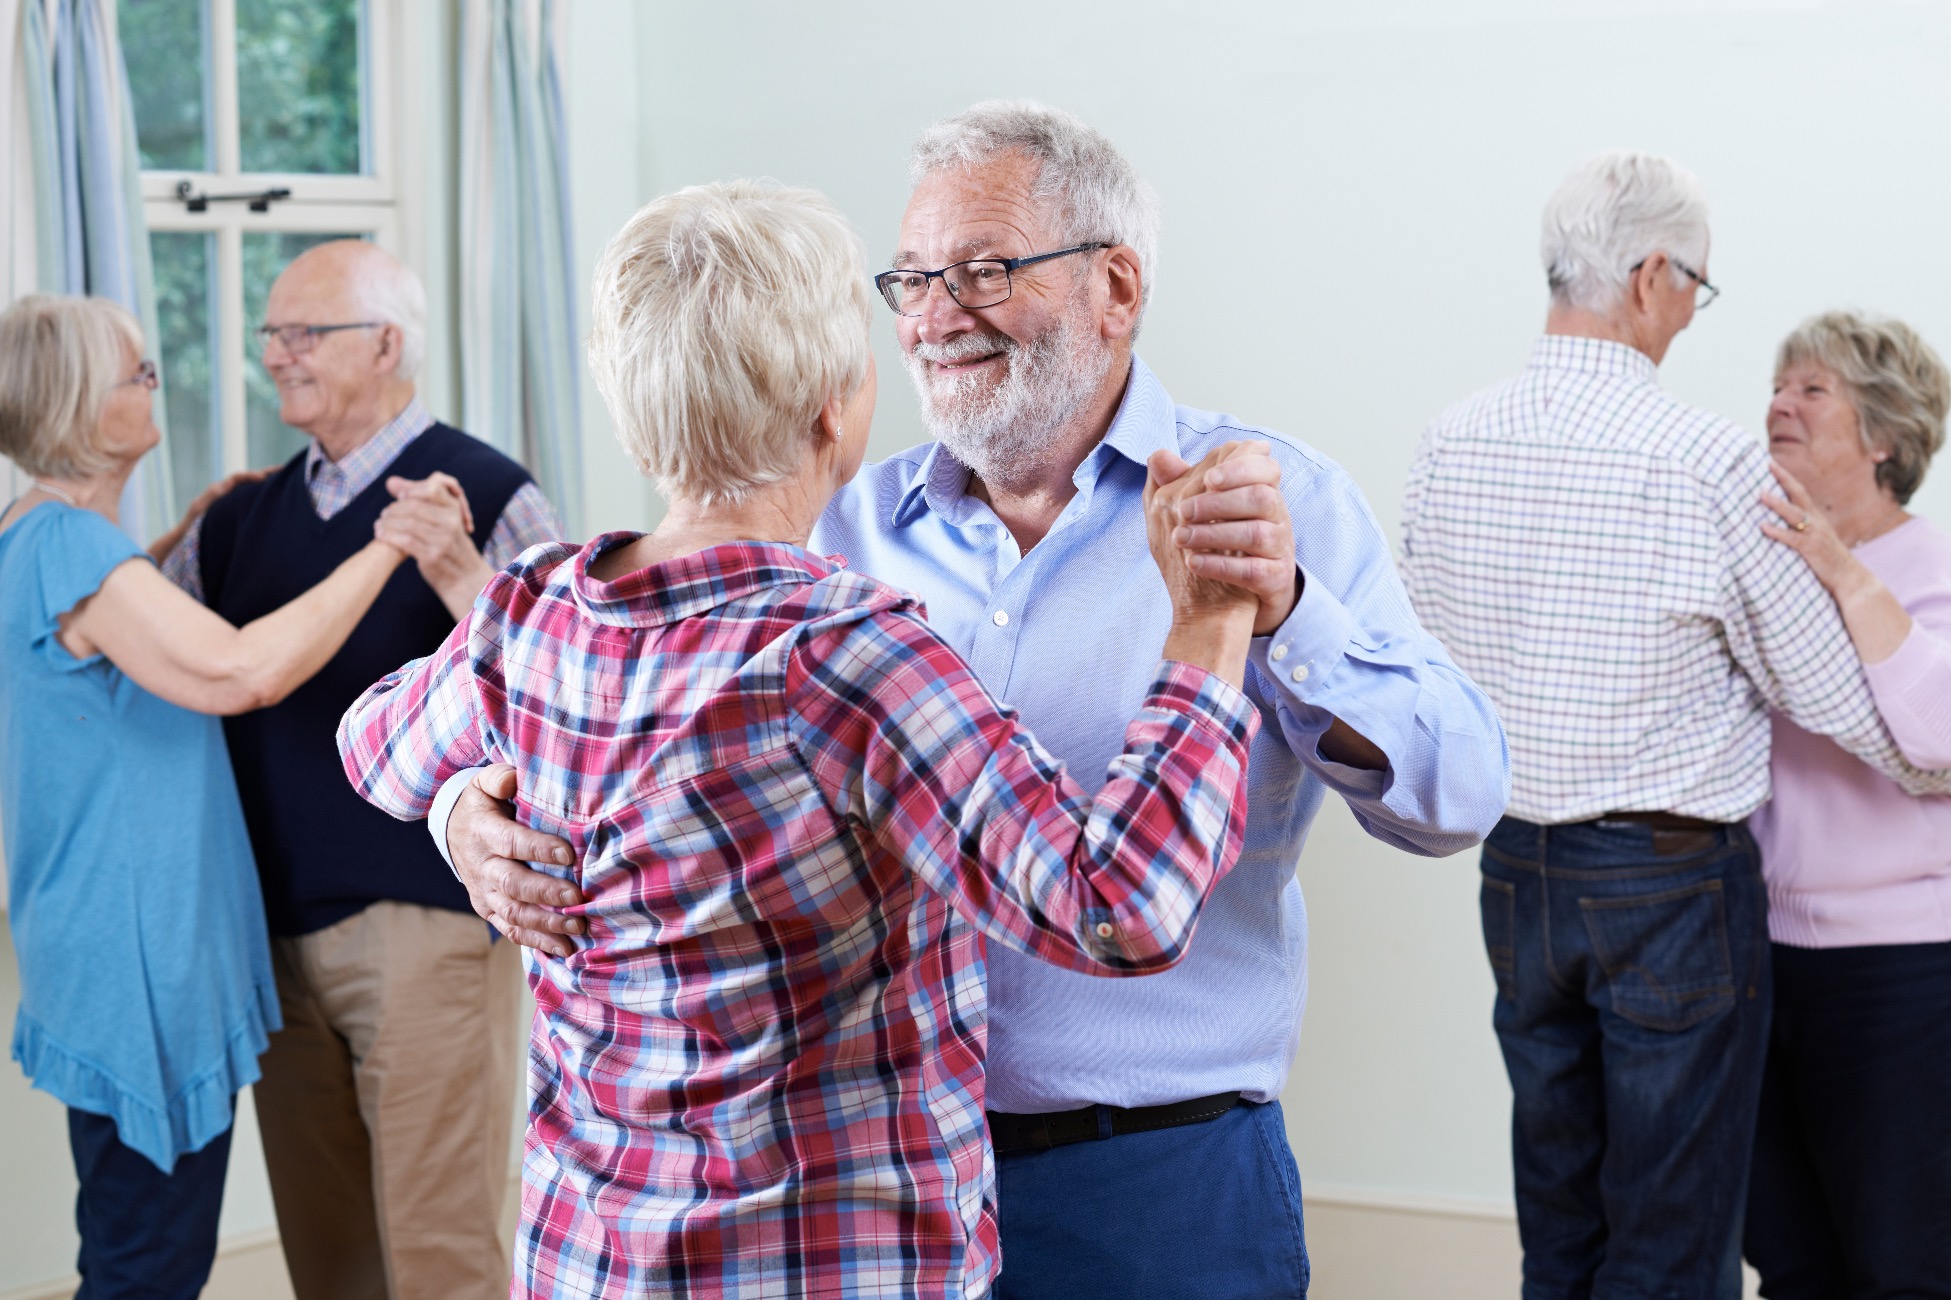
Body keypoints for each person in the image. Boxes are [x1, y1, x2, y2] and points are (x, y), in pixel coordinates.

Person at [433, 101, 1510, 1299]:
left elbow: (1456, 793)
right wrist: (470, 816)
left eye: (985, 271)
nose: (936, 316)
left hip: (1149, 1190)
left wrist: (1289, 609)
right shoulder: (818, 534)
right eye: (912, 279)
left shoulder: (1266, 502)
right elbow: (553, 717)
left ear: (1116, 285)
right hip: (850, 1197)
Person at [341, 178, 1263, 1300]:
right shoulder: (845, 656)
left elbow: (372, 745)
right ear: (835, 408)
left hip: (589, 1261)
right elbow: (1118, 906)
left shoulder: (530, 611)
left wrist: (456, 814)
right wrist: (1208, 627)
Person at [1398, 154, 1951, 1299]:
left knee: (1560, 1212)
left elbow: (1426, 659)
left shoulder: (1451, 438)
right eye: (1696, 283)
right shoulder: (1704, 460)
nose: (1696, 312)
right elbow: (1832, 695)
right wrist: (1915, 758)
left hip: (1516, 871)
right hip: (1664, 884)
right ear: (1649, 276)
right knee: (1677, 1231)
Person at [156, 240, 564, 1299]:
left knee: (438, 1256)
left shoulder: (487, 490)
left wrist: (459, 573)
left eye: (302, 333)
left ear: (385, 343)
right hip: (269, 934)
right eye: (270, 334)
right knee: (327, 1260)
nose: (274, 355)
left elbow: (566, 691)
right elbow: (142, 647)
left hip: (422, 931)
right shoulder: (238, 514)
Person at [0, 294, 409, 1297]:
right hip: (138, 958)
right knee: (150, 1264)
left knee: (133, 1241)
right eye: (136, 373)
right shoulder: (75, 551)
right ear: (75, 406)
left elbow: (102, 657)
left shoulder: (36, 537)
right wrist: (389, 547)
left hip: (96, 937)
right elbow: (238, 673)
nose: (154, 386)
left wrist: (182, 529)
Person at [1742, 311, 1951, 1296]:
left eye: (1811, 389)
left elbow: (1939, 737)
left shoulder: (1931, 569)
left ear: (1884, 436)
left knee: (1900, 1264)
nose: (1778, 404)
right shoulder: (1762, 567)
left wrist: (1836, 564)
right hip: (1763, 962)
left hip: (1905, 972)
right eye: (1778, 386)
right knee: (1789, 1258)